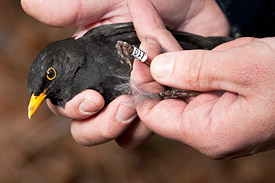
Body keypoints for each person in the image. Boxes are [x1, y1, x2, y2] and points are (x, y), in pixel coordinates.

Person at [21, 0, 275, 159]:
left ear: (63, 57)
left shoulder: (94, 40)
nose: (38, 99)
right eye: (37, 95)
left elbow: (153, 39)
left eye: (50, 75)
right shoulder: (70, 95)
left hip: (196, 46)